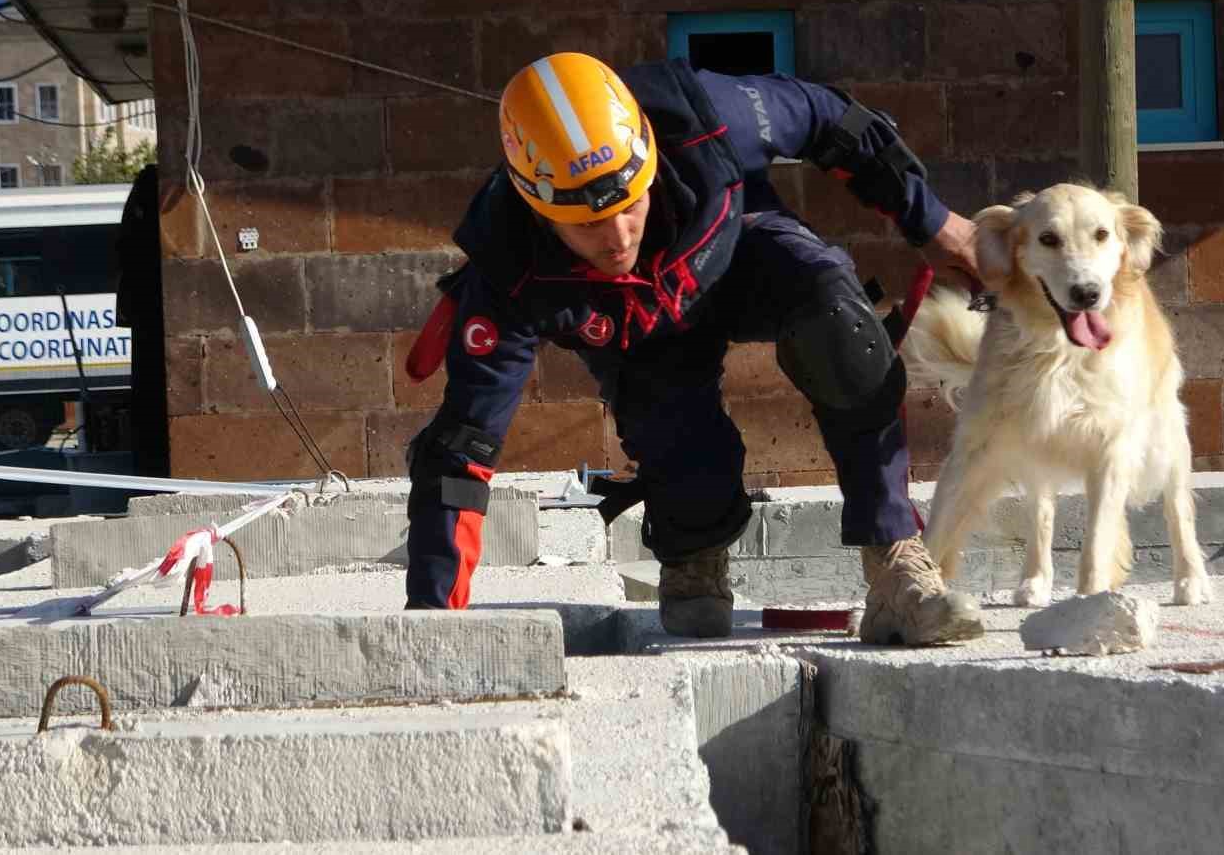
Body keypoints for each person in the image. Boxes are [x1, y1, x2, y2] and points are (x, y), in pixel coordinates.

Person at [403, 51, 986, 646]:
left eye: (631, 204)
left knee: (840, 323)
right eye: (587, 225)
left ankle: (894, 560)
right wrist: (432, 622)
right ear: (539, 209)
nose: (618, 236)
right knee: (682, 459)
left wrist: (936, 222)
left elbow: (832, 119)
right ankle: (693, 552)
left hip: (740, 254)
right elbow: (461, 452)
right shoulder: (507, 272)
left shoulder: (705, 116)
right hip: (643, 337)